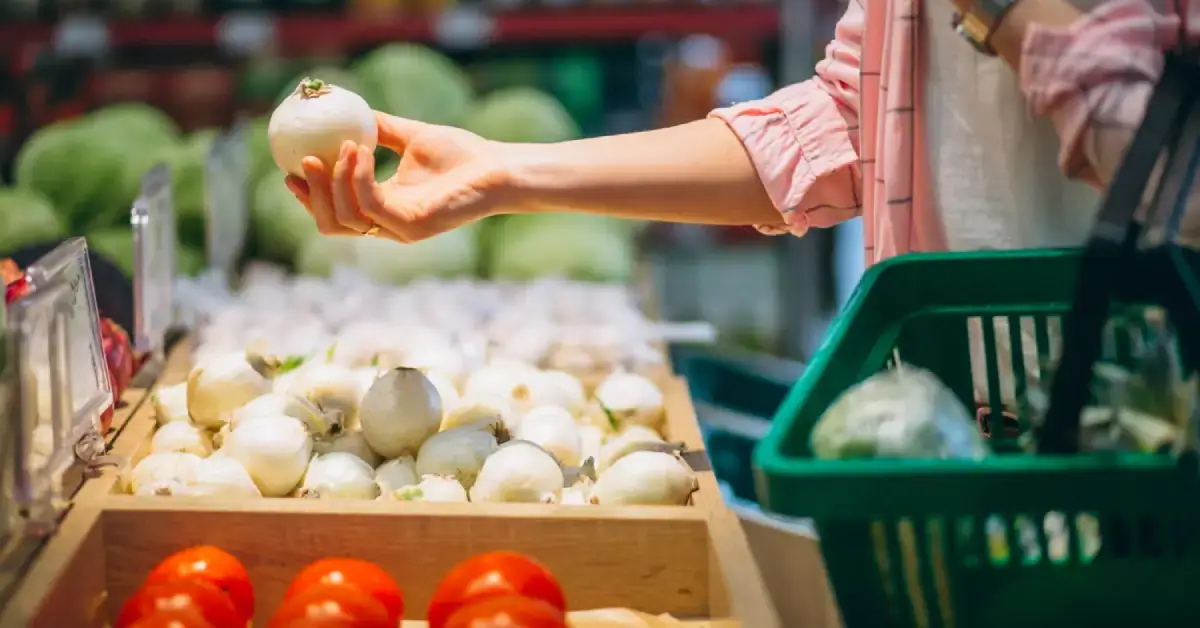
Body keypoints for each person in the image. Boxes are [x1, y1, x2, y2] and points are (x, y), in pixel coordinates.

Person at [284, 0, 1197, 409]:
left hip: (1154, 433)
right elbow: (842, 122)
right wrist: (507, 176)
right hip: (954, 421)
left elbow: (1178, 186)